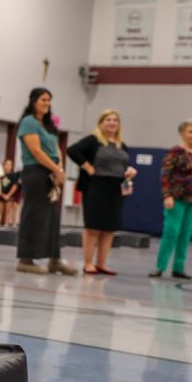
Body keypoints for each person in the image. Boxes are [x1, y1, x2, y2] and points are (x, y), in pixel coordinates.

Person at [66, 109, 138, 276]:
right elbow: (72, 150)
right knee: (93, 226)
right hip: (96, 186)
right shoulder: (93, 141)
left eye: (115, 120)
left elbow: (123, 165)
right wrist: (87, 166)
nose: (112, 123)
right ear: (101, 123)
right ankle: (88, 263)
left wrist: (129, 172)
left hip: (115, 187)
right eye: (108, 120)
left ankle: (102, 263)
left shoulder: (121, 144)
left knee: (109, 228)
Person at [15, 88, 77, 275]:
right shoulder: (28, 122)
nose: (47, 103)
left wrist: (59, 171)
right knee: (33, 216)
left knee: (53, 218)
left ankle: (54, 260)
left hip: (51, 174)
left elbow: (57, 149)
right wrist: (56, 169)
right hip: (35, 173)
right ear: (34, 101)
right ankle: (25, 259)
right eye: (43, 99)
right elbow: (36, 151)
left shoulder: (48, 124)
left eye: (49, 100)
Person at [151, 119, 192, 279]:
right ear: (182, 133)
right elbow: (165, 175)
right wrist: (167, 195)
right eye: (190, 131)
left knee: (185, 234)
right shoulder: (175, 152)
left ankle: (178, 268)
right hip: (176, 197)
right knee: (171, 232)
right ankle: (160, 267)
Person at [0, 159, 21, 227]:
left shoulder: (14, 175)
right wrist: (2, 194)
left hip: (11, 195)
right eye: (6, 164)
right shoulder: (1, 175)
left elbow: (15, 185)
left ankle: (11, 224)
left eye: (10, 165)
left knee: (11, 209)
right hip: (2, 194)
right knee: (0, 210)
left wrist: (8, 195)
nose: (8, 166)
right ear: (3, 165)